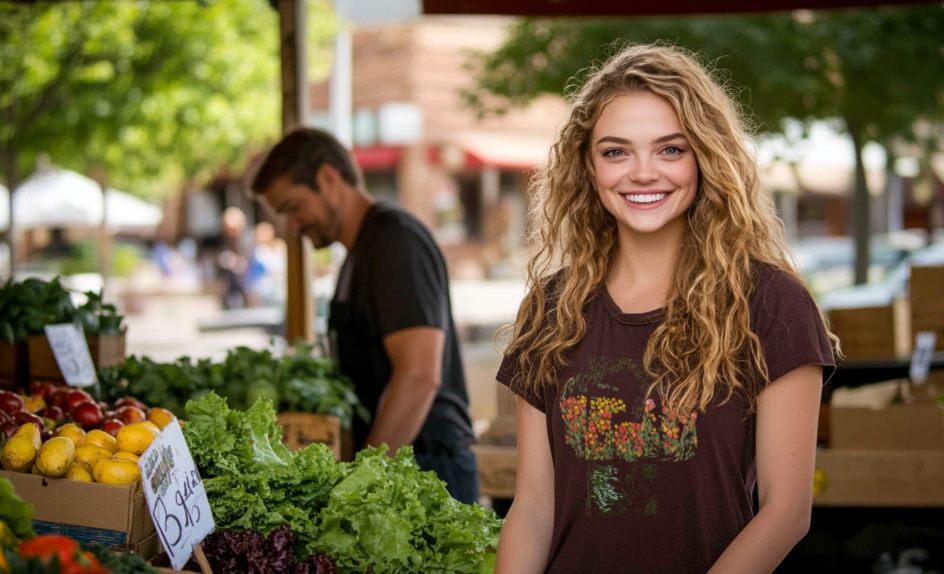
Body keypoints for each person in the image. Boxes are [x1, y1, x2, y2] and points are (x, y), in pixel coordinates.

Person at [494, 45, 838, 573]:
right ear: (588, 168)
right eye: (616, 152)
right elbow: (535, 508)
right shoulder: (551, 310)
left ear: (704, 156)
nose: (643, 172)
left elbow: (786, 512)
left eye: (670, 149)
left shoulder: (771, 305)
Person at [250, 128, 478, 504]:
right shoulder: (359, 253)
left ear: (327, 178)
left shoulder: (394, 240)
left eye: (292, 207)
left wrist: (359, 483)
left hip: (428, 471)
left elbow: (420, 375)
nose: (292, 226)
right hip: (399, 467)